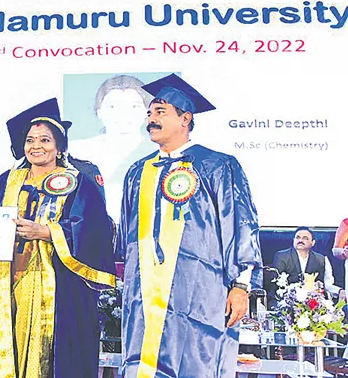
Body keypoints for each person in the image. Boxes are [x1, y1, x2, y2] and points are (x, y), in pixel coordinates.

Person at [117, 73, 263, 378]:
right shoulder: (136, 172)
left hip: (200, 294)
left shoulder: (217, 165)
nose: (151, 119)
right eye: (149, 113)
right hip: (144, 296)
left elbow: (240, 226)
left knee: (198, 362)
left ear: (185, 119)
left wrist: (241, 285)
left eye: (160, 112)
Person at [0, 98, 116, 378]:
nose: (36, 146)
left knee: (57, 352)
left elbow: (97, 228)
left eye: (45, 140)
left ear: (60, 146)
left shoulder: (78, 181)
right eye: (30, 140)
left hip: (61, 285)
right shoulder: (8, 180)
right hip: (12, 279)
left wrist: (47, 232)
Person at [70, 75, 156, 219]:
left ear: (146, 113)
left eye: (134, 106)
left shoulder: (158, 151)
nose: (123, 114)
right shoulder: (77, 150)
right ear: (99, 111)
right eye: (112, 106)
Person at [272, 226, 345, 300]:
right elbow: (276, 284)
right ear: (293, 240)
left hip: (312, 301)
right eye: (297, 237)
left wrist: (340, 291)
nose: (300, 240)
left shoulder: (320, 259)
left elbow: (327, 284)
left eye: (305, 238)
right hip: (286, 298)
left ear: (312, 243)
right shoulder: (281, 256)